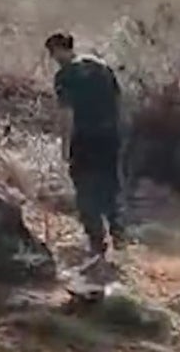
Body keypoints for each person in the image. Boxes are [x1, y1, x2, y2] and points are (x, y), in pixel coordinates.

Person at [47, 32, 126, 258]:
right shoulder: (101, 67)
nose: (53, 58)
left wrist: (65, 146)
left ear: (59, 49)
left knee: (85, 189)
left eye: (53, 53)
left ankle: (96, 243)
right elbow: (118, 99)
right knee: (109, 183)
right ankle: (119, 234)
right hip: (110, 135)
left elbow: (66, 114)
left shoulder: (65, 75)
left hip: (85, 139)